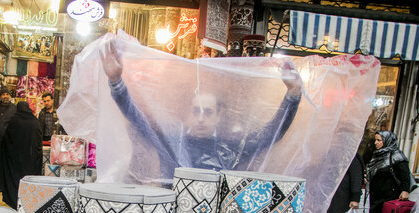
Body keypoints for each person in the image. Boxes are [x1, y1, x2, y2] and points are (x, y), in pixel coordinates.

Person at [99, 39, 302, 180]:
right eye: (196, 111)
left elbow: (271, 134)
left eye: (208, 112)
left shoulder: (231, 146)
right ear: (188, 113)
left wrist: (293, 95)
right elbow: (136, 117)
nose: (201, 118)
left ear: (218, 115)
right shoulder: (172, 139)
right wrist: (116, 80)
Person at [365, 131, 411, 213]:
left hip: (389, 195)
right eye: (376, 140)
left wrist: (405, 190)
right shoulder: (378, 155)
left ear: (387, 141)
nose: (376, 143)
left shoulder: (396, 156)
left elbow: (404, 175)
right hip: (377, 194)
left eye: (379, 140)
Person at [1, 101, 42, 208]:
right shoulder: (34, 122)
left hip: (14, 159)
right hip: (30, 159)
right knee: (27, 180)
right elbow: (38, 143)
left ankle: (14, 201)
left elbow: (6, 140)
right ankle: (27, 201)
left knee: (15, 180)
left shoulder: (13, 121)